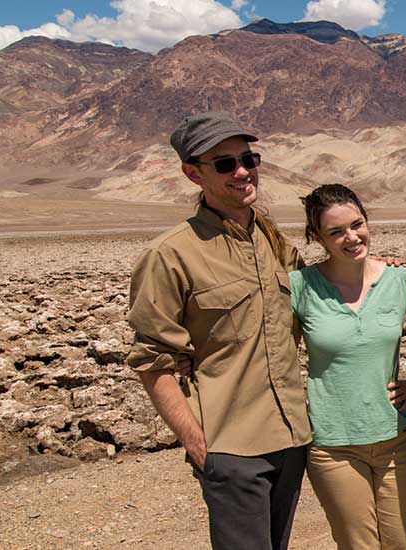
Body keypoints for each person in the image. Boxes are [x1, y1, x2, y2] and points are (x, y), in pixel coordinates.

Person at [125, 112, 310, 550]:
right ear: (193, 173)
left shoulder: (274, 242)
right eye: (224, 164)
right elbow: (153, 362)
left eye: (249, 158)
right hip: (231, 445)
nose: (243, 171)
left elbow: (314, 306)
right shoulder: (170, 255)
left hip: (291, 437)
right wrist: (199, 445)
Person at [289, 184, 406, 550]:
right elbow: (274, 354)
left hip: (396, 439)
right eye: (336, 231)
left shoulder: (400, 280)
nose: (351, 237)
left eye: (357, 224)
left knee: (405, 544)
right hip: (334, 446)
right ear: (317, 236)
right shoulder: (299, 287)